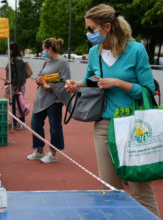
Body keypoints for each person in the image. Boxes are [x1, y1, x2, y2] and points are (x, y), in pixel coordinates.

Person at [65, 4, 160, 217]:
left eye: (91, 29)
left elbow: (148, 90)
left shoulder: (135, 50)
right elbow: (93, 79)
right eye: (86, 29)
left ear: (106, 27)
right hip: (104, 126)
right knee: (108, 189)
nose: (87, 33)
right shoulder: (93, 52)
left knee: (139, 189)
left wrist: (119, 83)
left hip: (134, 127)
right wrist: (77, 85)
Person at [27, 38, 71, 163]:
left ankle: (52, 154)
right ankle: (39, 151)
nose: (43, 51)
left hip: (54, 101)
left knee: (55, 127)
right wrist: (38, 80)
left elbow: (66, 81)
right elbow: (39, 75)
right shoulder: (47, 61)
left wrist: (49, 85)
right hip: (41, 98)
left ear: (49, 48)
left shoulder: (63, 62)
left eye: (44, 48)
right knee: (35, 124)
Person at [7, 42, 26, 129]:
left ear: (13, 50)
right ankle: (15, 122)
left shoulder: (17, 60)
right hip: (14, 85)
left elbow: (20, 75)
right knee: (15, 104)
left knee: (19, 104)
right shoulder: (14, 59)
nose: (9, 51)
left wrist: (18, 87)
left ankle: (20, 122)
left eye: (10, 49)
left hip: (17, 86)